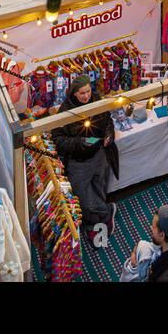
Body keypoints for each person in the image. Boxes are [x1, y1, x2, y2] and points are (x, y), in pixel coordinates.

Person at [50, 76, 118, 241]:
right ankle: (107, 213)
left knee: (100, 190)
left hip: (100, 155)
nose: (86, 96)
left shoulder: (96, 100)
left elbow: (108, 120)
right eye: (82, 93)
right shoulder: (65, 111)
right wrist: (80, 143)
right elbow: (58, 139)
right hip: (78, 162)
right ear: (74, 93)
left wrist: (109, 134)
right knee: (84, 199)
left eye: (88, 91)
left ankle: (96, 228)